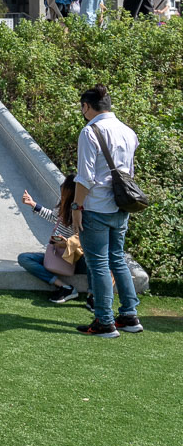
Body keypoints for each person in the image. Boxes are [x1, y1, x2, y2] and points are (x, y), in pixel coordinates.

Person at [74, 85, 143, 337]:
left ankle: (104, 321)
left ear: (87, 107)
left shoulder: (90, 131)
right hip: (120, 205)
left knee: (99, 264)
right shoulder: (128, 131)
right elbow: (129, 172)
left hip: (96, 206)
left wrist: (76, 207)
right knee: (117, 258)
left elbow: (85, 177)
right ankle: (129, 315)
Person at [17, 175, 90, 304]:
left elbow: (85, 238)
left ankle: (93, 295)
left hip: (77, 257)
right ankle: (63, 286)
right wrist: (33, 204)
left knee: (94, 260)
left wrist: (67, 244)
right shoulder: (62, 203)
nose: (62, 195)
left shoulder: (83, 210)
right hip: (57, 253)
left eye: (64, 192)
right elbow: (53, 217)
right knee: (24, 258)